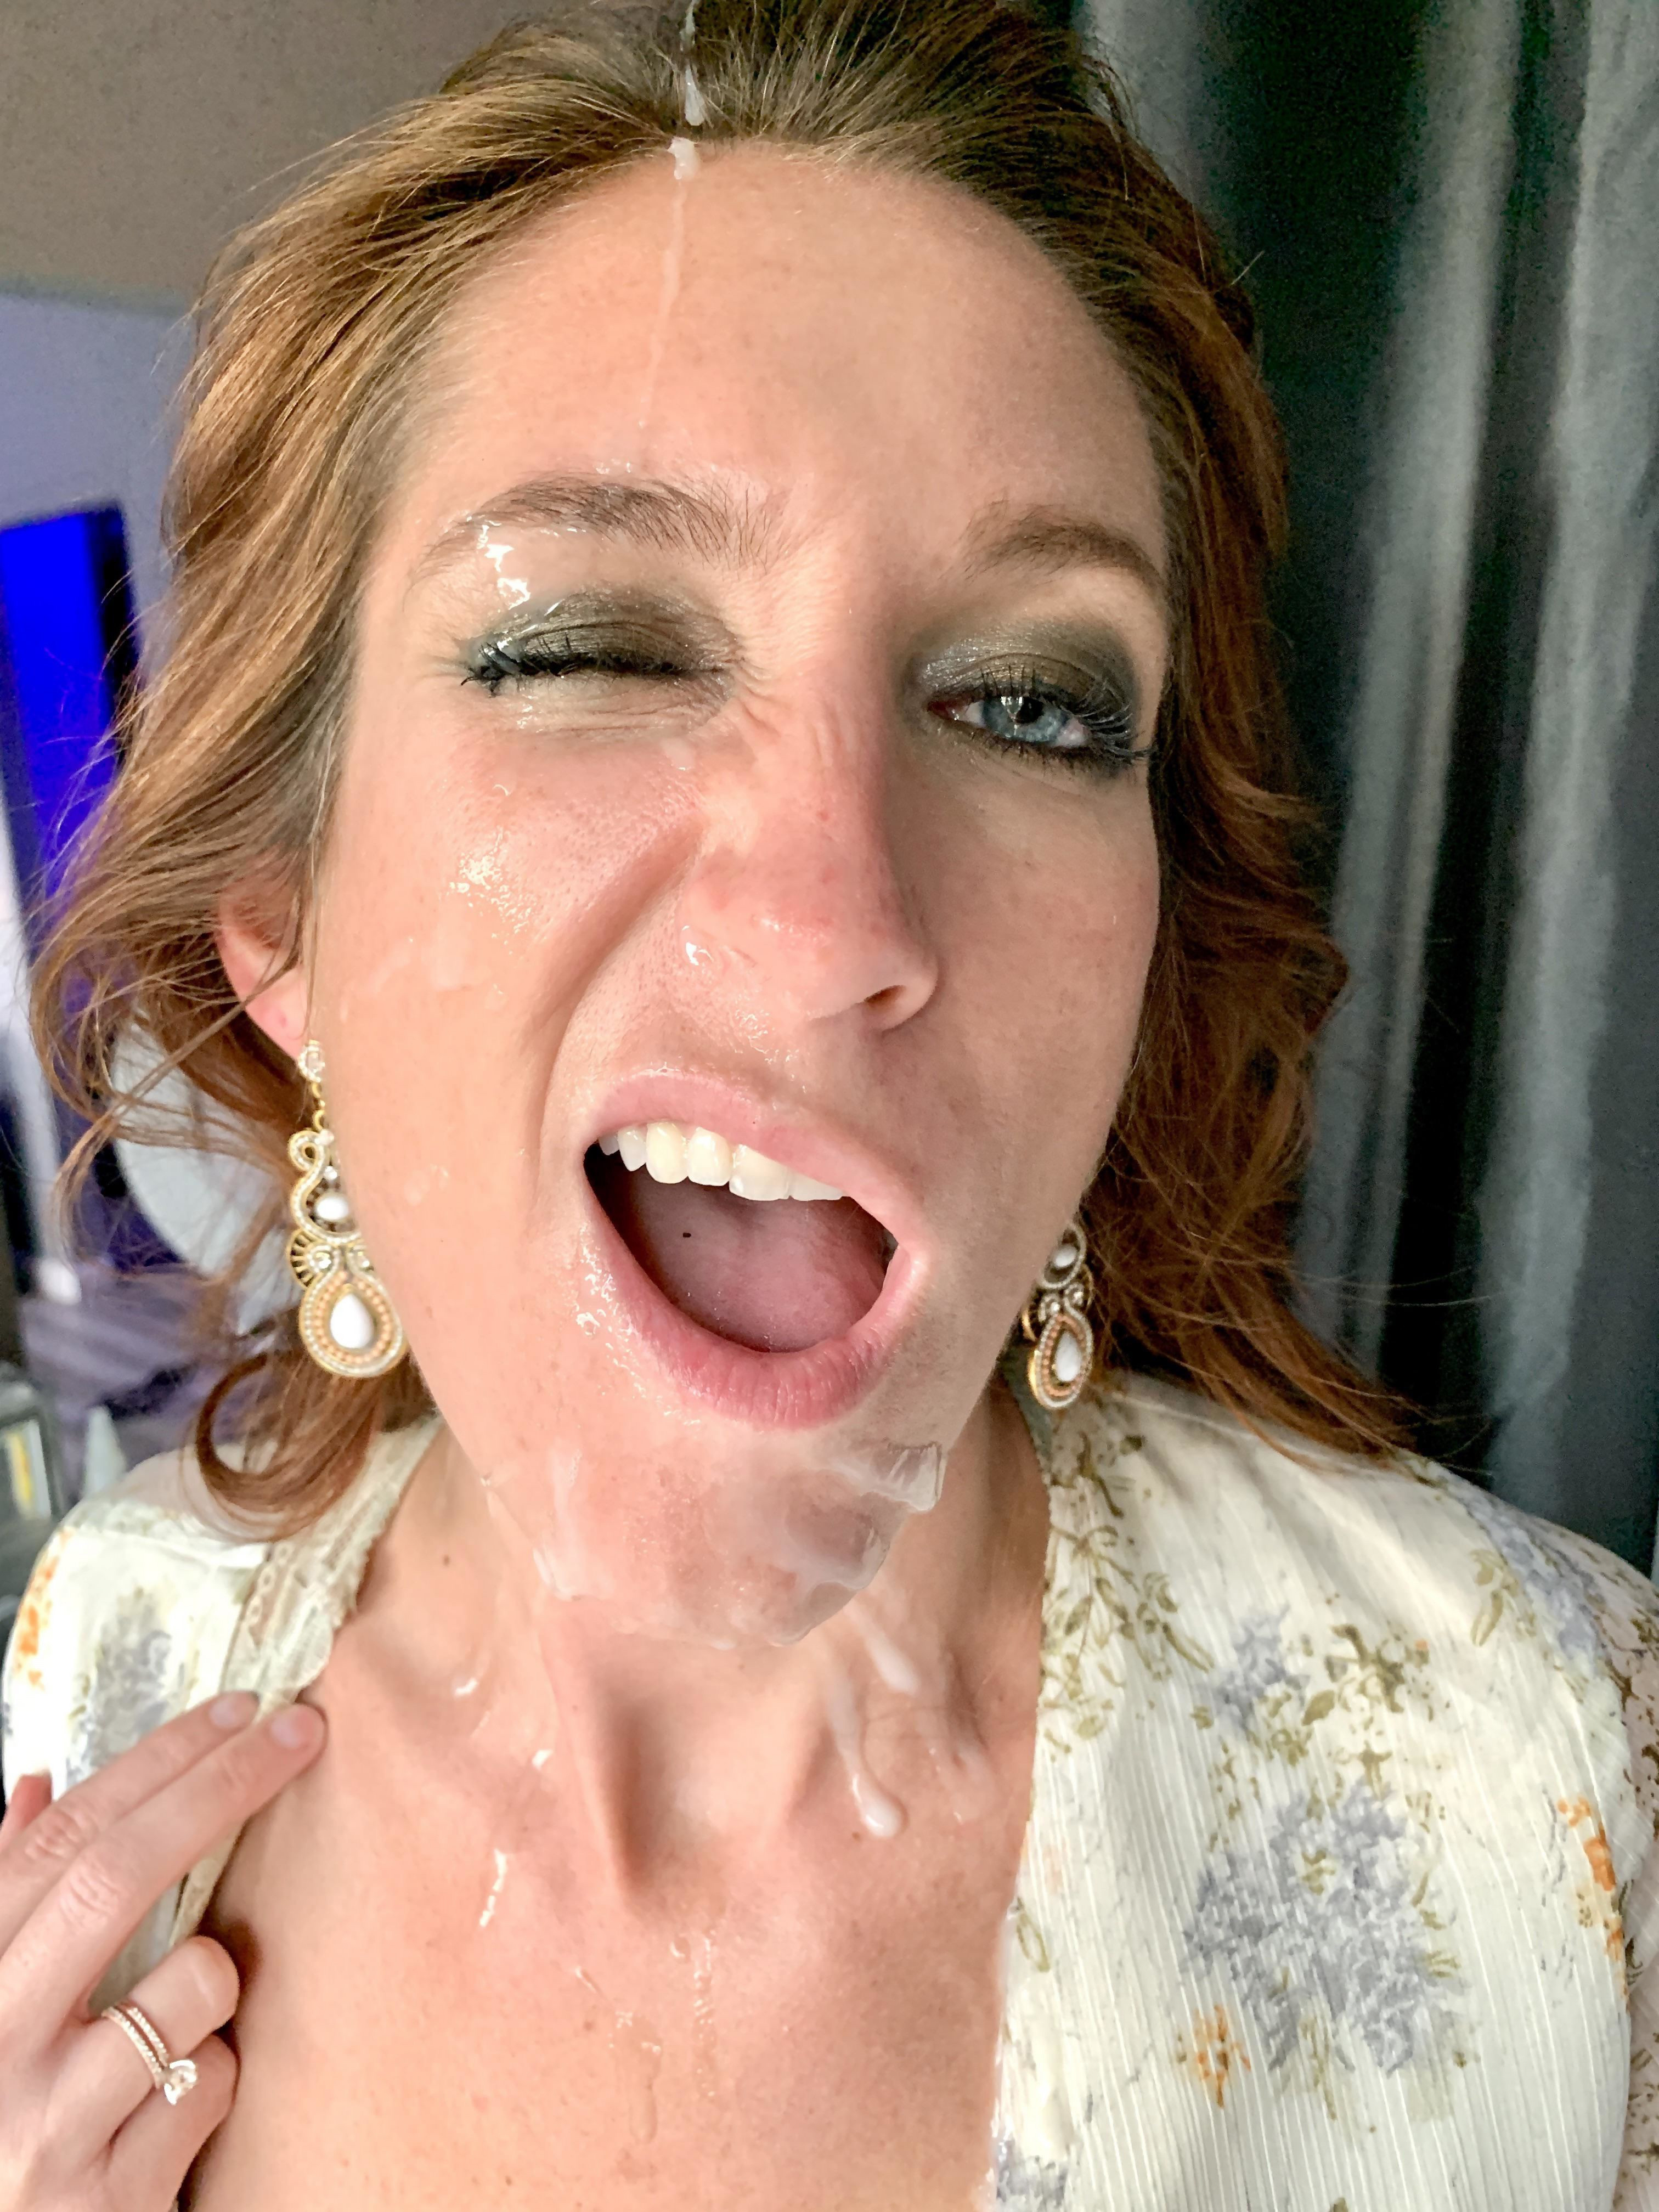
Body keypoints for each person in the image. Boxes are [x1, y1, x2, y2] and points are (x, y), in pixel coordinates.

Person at [3, 4, 1655, 2205]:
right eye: (593, 646)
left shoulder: (1570, 1797)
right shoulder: (113, 1650)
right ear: (280, 918)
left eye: (1032, 703)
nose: (831, 925)